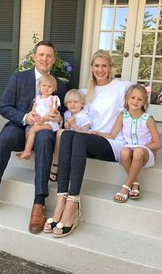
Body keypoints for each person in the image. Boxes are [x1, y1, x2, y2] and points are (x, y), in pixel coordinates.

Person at [0, 41, 66, 234]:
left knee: (44, 140)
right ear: (34, 56)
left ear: (53, 60)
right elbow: (4, 106)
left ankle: (39, 202)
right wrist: (24, 117)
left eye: (49, 55)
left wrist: (60, 117)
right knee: (3, 139)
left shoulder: (59, 85)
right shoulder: (19, 78)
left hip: (42, 130)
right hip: (19, 126)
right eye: (41, 54)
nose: (44, 59)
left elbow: (65, 112)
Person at [44, 49, 132, 238]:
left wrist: (143, 137)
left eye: (104, 66)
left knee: (78, 138)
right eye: (96, 66)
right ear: (91, 68)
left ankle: (73, 204)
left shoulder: (122, 87)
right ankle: (61, 201)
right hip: (86, 140)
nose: (100, 70)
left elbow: (141, 100)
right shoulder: (85, 92)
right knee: (67, 135)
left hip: (110, 141)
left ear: (110, 67)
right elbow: (70, 110)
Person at [91, 84, 161, 203]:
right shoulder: (123, 116)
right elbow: (112, 135)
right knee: (124, 151)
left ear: (144, 102)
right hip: (129, 152)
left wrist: (143, 147)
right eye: (133, 98)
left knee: (138, 151)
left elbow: (157, 144)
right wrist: (97, 133)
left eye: (139, 99)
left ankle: (126, 186)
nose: (135, 101)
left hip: (145, 153)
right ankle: (135, 183)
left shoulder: (148, 119)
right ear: (127, 99)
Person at [49, 89, 91, 182]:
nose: (72, 104)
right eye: (69, 102)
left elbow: (84, 134)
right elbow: (67, 130)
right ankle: (57, 164)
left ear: (82, 104)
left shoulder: (84, 116)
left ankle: (56, 165)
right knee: (60, 132)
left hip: (79, 141)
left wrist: (73, 125)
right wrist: (67, 126)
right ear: (66, 104)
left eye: (76, 102)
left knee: (60, 133)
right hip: (69, 139)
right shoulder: (67, 113)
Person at [17, 74, 61, 160]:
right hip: (39, 121)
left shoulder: (53, 99)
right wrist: (34, 115)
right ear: (39, 86)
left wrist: (44, 119)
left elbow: (52, 113)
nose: (46, 88)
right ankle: (29, 150)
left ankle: (27, 151)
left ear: (54, 89)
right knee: (28, 130)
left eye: (49, 86)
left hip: (50, 123)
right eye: (44, 86)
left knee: (33, 130)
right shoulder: (37, 98)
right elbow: (34, 110)